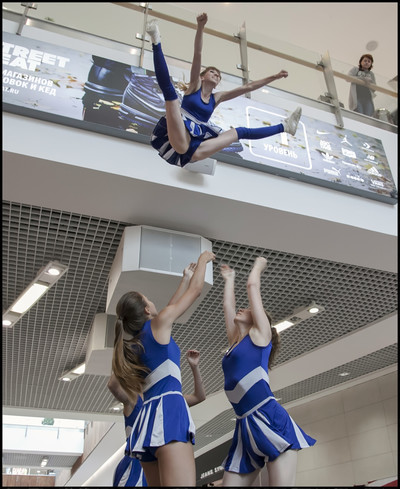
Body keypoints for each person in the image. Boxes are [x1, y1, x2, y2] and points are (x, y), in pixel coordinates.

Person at [145, 13, 302, 168]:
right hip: (181, 136)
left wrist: (274, 77)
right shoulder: (194, 86)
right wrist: (200, 27)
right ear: (202, 77)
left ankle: (285, 127)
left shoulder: (217, 97)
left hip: (197, 148)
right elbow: (197, 54)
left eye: (218, 75)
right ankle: (156, 41)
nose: (216, 75)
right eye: (212, 72)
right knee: (170, 94)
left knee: (240, 132)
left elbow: (248, 87)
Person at [112, 252, 215, 486]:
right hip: (168, 411)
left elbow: (169, 308)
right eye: (148, 300)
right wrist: (202, 261)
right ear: (146, 311)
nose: (153, 302)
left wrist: (184, 278)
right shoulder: (156, 327)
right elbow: (196, 291)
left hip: (147, 421)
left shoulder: (135, 343)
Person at [219, 257, 316, 486]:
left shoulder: (259, 336)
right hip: (244, 426)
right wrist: (229, 279)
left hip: (270, 419)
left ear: (258, 319)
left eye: (248, 309)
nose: (243, 308)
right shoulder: (235, 341)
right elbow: (228, 307)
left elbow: (252, 286)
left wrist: (259, 265)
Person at [108, 349, 206, 487]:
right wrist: (127, 352)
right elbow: (113, 384)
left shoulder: (167, 399)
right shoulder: (133, 399)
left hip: (159, 458)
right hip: (136, 465)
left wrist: (195, 367)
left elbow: (199, 396)